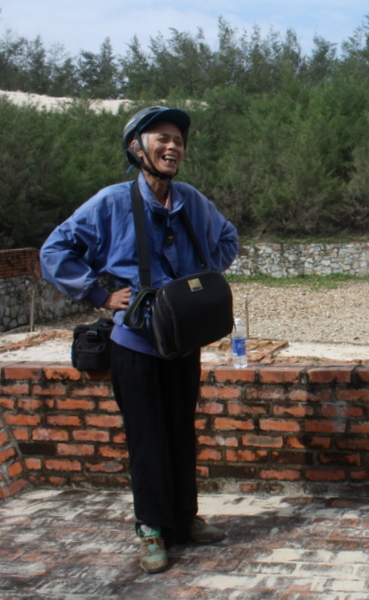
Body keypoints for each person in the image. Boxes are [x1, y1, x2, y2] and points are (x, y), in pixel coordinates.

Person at [40, 106, 240, 572]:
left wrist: (199, 282)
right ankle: (151, 527)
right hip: (134, 341)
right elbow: (54, 251)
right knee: (147, 436)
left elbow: (227, 238)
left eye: (179, 140)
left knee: (180, 432)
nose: (173, 147)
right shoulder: (111, 202)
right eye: (162, 138)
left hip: (182, 339)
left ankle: (185, 519)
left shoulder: (190, 200)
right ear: (137, 148)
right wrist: (99, 294)